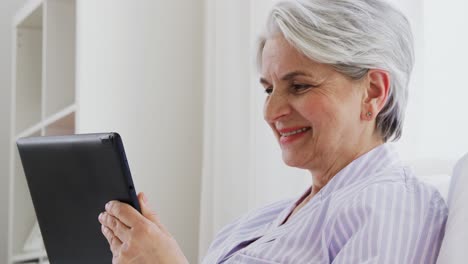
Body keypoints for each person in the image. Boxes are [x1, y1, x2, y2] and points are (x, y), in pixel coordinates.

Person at [98, 0, 448, 263]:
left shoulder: (390, 207)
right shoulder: (262, 220)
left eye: (299, 86)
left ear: (373, 92)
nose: (270, 112)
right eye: (268, 89)